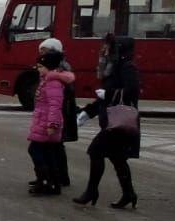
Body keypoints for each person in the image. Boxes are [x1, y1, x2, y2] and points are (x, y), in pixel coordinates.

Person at [73, 34, 140, 209]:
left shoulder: (126, 67)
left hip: (118, 123)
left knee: (95, 152)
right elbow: (104, 99)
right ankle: (128, 193)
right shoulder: (114, 67)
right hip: (111, 121)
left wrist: (108, 94)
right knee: (117, 158)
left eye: (107, 46)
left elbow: (132, 91)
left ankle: (91, 191)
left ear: (118, 48)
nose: (103, 49)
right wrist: (88, 112)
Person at [26, 52, 70, 195]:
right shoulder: (47, 80)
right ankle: (51, 182)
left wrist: (52, 124)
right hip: (43, 121)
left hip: (47, 123)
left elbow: (55, 105)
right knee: (46, 152)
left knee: (36, 150)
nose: (38, 69)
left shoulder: (53, 82)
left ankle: (46, 181)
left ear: (49, 67)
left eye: (40, 66)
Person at [38, 38, 77, 188]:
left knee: (55, 145)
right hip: (54, 110)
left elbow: (60, 94)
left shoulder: (59, 69)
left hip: (59, 111)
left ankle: (58, 176)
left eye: (44, 50)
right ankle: (52, 176)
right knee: (51, 145)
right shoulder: (52, 67)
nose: (41, 53)